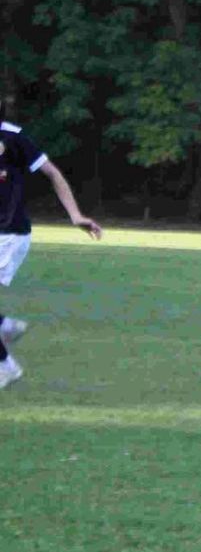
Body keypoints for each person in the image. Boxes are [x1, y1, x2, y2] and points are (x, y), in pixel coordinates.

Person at [0, 116, 104, 389]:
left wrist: (75, 215)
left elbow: (52, 173)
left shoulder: (13, 137)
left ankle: (7, 366)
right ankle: (5, 327)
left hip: (9, 236)